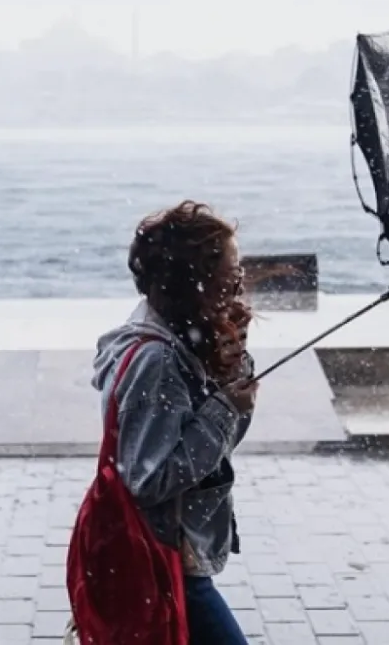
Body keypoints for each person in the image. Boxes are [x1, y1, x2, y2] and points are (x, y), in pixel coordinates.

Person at [90, 200, 258, 644]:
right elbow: (150, 477)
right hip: (164, 559)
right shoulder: (157, 359)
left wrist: (231, 370)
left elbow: (219, 448)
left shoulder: (180, 339)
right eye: (231, 272)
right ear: (195, 281)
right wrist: (223, 408)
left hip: (171, 557)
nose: (239, 284)